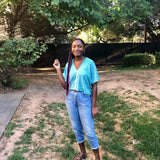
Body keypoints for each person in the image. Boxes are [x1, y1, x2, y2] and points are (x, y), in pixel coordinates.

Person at [53, 38, 100, 160]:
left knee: (89, 130)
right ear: (71, 49)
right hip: (70, 98)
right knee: (76, 128)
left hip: (84, 99)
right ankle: (83, 153)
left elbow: (94, 85)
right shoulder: (69, 65)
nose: (76, 48)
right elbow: (65, 86)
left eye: (79, 46)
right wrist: (58, 69)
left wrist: (94, 106)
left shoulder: (90, 63)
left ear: (83, 48)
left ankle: (97, 157)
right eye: (74, 46)